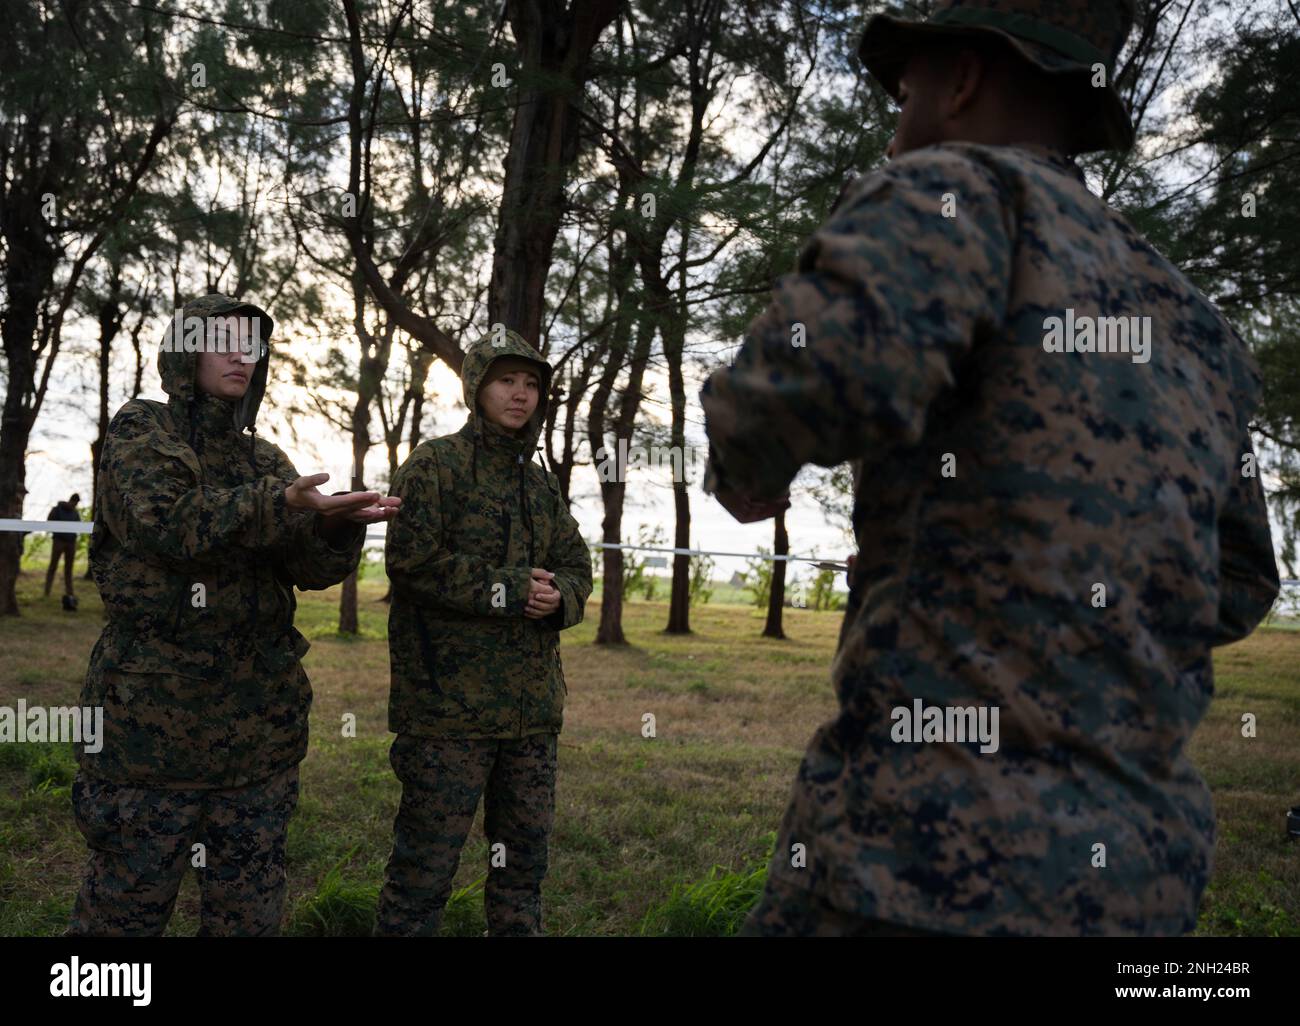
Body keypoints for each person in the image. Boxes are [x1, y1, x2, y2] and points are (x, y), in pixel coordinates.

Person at [701, 0, 1280, 936]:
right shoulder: (1197, 323)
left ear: (964, 77)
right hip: (1143, 881)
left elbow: (802, 393)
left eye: (907, 90)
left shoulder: (955, 190)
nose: (898, 122)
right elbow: (1242, 581)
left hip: (920, 861)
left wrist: (737, 449)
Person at [67, 293, 400, 937]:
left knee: (247, 915)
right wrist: (280, 504)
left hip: (257, 739)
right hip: (150, 734)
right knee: (123, 916)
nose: (240, 356)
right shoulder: (142, 431)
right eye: (223, 341)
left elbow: (308, 570)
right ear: (185, 351)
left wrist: (335, 528)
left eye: (250, 345)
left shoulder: (265, 458)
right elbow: (168, 525)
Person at [376, 328, 593, 937]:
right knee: (423, 872)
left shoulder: (539, 482)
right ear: (476, 387)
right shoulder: (435, 465)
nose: (521, 395)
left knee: (522, 873)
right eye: (506, 381)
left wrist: (558, 599)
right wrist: (509, 588)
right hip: (448, 713)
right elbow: (411, 563)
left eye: (531, 384)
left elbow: (576, 565)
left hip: (530, 715)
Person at [45, 492, 81, 599]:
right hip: (59, 541)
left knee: (69, 568)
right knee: (53, 566)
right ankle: (47, 591)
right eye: (75, 502)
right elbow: (49, 522)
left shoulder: (75, 513)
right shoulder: (57, 509)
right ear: (72, 501)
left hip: (71, 542)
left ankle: (69, 593)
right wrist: (57, 533)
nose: (76, 505)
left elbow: (79, 526)